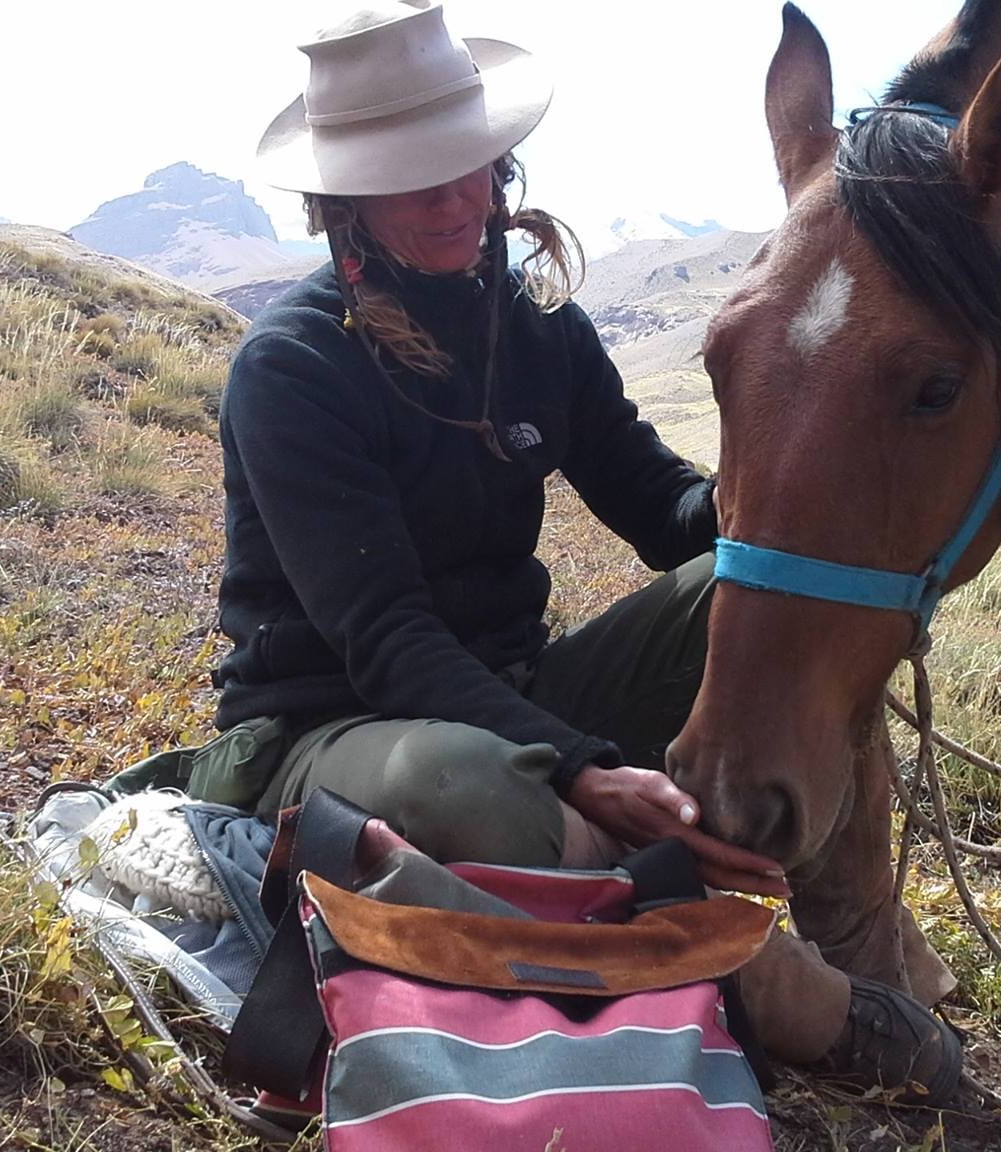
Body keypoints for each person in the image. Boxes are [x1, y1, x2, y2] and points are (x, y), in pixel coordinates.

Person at [212, 0, 961, 1097]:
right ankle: (754, 973)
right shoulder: (291, 370)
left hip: (509, 687)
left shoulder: (534, 325)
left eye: (471, 164)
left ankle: (860, 952)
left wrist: (786, 500)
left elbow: (658, 508)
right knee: (470, 783)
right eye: (414, 175)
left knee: (747, 591)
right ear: (344, 201)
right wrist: (582, 767)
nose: (457, 196)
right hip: (328, 722)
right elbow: (386, 644)